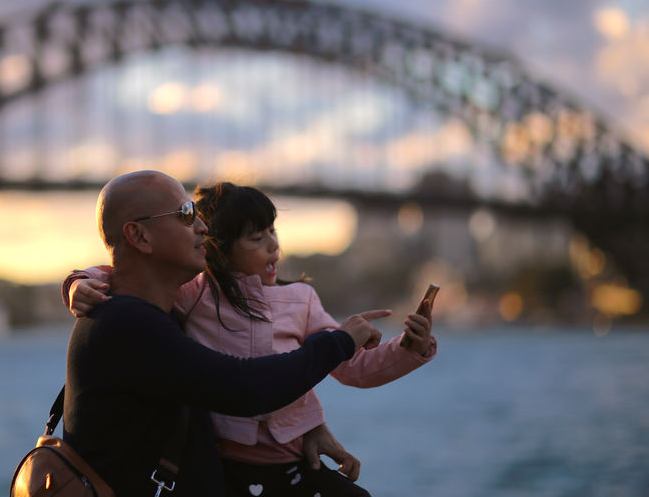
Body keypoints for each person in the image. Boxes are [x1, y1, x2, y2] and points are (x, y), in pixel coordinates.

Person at [64, 181, 437, 497]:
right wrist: (77, 282)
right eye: (184, 214)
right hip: (235, 467)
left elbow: (352, 369)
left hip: (289, 459)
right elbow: (245, 387)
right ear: (139, 235)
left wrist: (407, 349)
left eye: (273, 233)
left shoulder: (298, 299)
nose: (201, 229)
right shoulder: (183, 299)